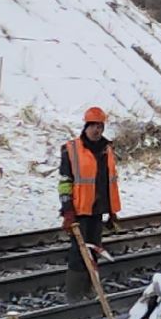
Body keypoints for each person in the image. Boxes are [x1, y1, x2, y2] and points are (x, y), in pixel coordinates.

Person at [59, 107, 119, 275]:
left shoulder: (106, 149)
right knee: (79, 254)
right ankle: (76, 292)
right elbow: (65, 182)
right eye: (92, 126)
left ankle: (90, 287)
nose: (96, 130)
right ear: (86, 126)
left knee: (94, 253)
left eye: (99, 126)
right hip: (79, 211)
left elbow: (109, 182)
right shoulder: (71, 149)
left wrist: (112, 211)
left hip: (97, 210)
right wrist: (67, 209)